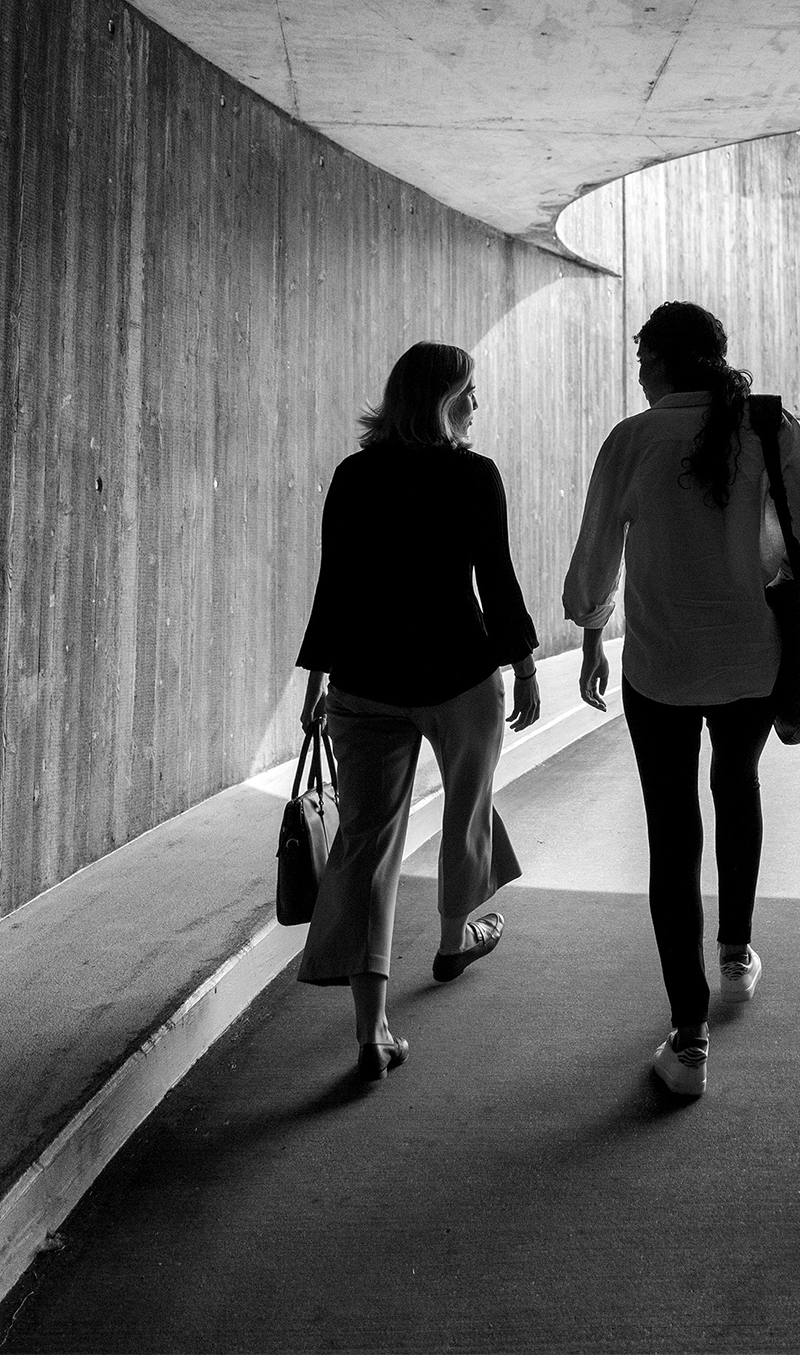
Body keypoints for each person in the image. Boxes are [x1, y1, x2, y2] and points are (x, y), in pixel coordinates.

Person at [563, 301, 800, 1100]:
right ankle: (736, 957)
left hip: (661, 668)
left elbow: (594, 561)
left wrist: (589, 628)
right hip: (753, 659)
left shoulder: (633, 438)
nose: (637, 373)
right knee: (738, 786)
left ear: (658, 361)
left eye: (640, 358)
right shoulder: (770, 429)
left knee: (672, 834)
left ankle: (688, 1043)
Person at [295, 342, 542, 1080]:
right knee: (469, 806)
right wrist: (524, 664)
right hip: (460, 679)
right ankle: (452, 935)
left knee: (368, 845)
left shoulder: (354, 475)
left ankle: (372, 1035)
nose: (477, 403)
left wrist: (316, 680)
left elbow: (334, 585)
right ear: (442, 400)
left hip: (364, 683)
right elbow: (494, 579)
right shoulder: (473, 476)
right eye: (469, 391)